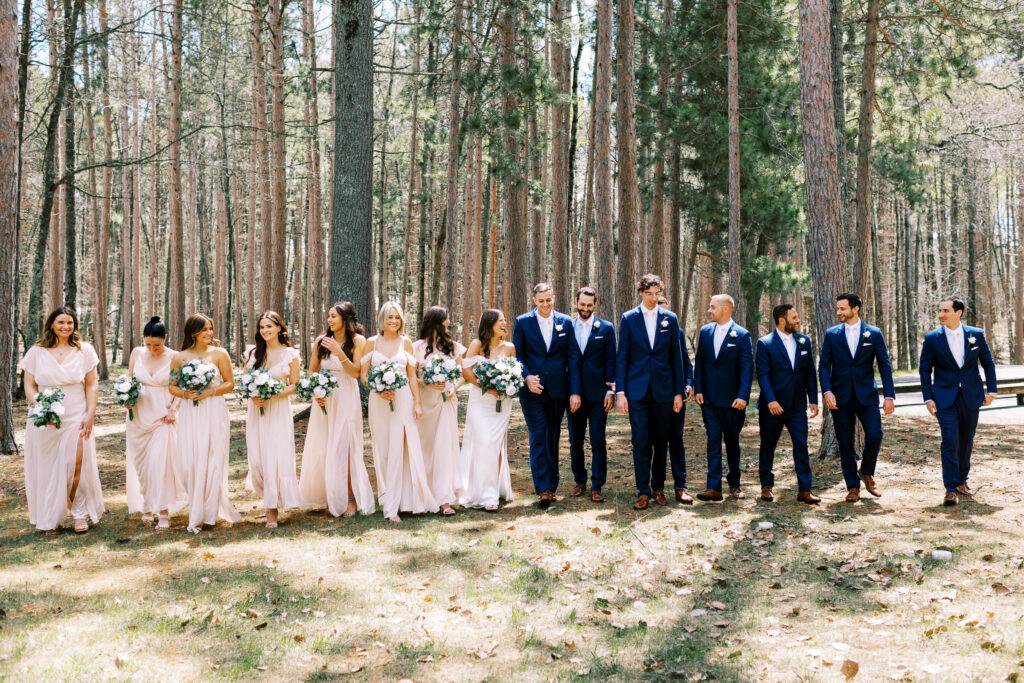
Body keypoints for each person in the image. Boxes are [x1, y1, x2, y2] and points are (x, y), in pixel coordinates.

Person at [19, 307, 104, 533]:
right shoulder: (37, 351)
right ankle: (50, 517)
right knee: (47, 468)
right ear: (51, 325)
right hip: (45, 416)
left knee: (75, 464)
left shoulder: (85, 351)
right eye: (61, 322)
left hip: (76, 414)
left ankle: (79, 512)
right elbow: (29, 384)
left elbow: (92, 384)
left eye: (70, 323)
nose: (66, 327)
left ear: (75, 325)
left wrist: (90, 414)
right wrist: (39, 409)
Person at [615, 274, 691, 510]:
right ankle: (643, 490)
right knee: (640, 442)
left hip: (664, 391)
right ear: (641, 293)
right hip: (637, 391)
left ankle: (658, 487)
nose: (653, 298)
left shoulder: (670, 318)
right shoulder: (629, 318)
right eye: (649, 293)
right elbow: (623, 357)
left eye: (657, 293)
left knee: (662, 441)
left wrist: (678, 393)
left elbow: (676, 359)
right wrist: (621, 392)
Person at [361, 301, 439, 522]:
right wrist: (377, 389)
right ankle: (390, 497)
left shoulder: (406, 343)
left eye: (397, 317)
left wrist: (417, 402)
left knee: (403, 448)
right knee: (385, 450)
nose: (394, 321)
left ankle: (398, 505)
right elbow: (364, 375)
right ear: (382, 319)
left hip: (403, 398)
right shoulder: (371, 343)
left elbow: (412, 375)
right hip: (379, 401)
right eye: (390, 317)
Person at [919, 296, 997, 506]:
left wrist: (992, 391)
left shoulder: (976, 335)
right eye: (940, 310)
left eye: (946, 310)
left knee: (966, 439)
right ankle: (950, 488)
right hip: (944, 397)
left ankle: (962, 480)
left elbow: (988, 364)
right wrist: (928, 397)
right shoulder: (932, 338)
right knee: (949, 439)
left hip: (971, 396)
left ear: (958, 312)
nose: (941, 314)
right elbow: (925, 370)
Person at [299, 302, 375, 517]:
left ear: (345, 318)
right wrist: (317, 392)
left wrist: (339, 352)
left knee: (345, 446)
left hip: (345, 396)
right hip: (324, 398)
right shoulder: (320, 341)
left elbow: (354, 373)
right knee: (324, 445)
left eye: (334, 316)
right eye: (329, 316)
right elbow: (312, 371)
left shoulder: (358, 341)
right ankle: (330, 495)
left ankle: (350, 498)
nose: (330, 320)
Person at [818, 293, 895, 502]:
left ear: (855, 309)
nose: (839, 312)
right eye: (838, 308)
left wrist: (889, 395)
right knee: (845, 443)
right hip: (839, 396)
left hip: (866, 395)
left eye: (842, 308)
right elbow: (824, 365)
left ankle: (866, 472)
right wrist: (826, 391)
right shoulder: (832, 334)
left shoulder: (874, 333)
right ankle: (852, 487)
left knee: (875, 435)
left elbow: (885, 365)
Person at [169, 314, 241, 533]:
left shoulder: (219, 354)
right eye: (204, 330)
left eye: (211, 329)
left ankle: (208, 513)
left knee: (212, 459)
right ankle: (196, 507)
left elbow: (230, 383)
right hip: (191, 412)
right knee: (189, 463)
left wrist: (209, 391)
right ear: (193, 333)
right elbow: (171, 386)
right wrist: (185, 393)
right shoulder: (180, 357)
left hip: (214, 410)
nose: (209, 333)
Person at [512, 282, 581, 509]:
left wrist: (574, 391)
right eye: (540, 301)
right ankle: (542, 488)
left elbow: (572, 358)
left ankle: (552, 486)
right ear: (534, 301)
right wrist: (527, 377)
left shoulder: (566, 322)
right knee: (538, 435)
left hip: (558, 390)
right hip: (532, 390)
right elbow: (518, 354)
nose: (545, 304)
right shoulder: (523, 322)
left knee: (553, 436)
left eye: (548, 300)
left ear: (554, 298)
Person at [125, 316, 186, 529]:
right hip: (138, 415)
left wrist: (173, 409)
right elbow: (130, 381)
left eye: (157, 345)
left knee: (160, 463)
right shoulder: (136, 353)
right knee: (142, 465)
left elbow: (181, 386)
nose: (152, 349)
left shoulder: (175, 356)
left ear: (165, 338)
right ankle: (147, 506)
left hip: (163, 415)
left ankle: (164, 512)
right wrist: (127, 398)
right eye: (148, 344)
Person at [243, 311, 303, 528]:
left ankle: (272, 510)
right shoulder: (252, 353)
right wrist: (253, 394)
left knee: (275, 456)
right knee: (258, 457)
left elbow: (295, 384)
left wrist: (273, 394)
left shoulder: (290, 354)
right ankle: (268, 499)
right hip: (256, 410)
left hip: (277, 409)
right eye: (262, 327)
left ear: (279, 327)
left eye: (269, 326)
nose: (265, 330)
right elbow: (244, 380)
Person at [755, 304, 820, 504]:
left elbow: (810, 372)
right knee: (768, 446)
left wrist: (814, 400)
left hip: (797, 407)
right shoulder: (765, 343)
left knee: (801, 446)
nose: (798, 320)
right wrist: (771, 400)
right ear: (782, 320)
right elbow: (762, 374)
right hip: (772, 407)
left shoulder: (804, 341)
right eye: (794, 317)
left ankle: (805, 489)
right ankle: (766, 486)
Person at [692, 295, 753, 502]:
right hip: (708, 399)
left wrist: (743, 395)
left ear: (726, 309)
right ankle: (713, 487)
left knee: (732, 442)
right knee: (713, 440)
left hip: (733, 401)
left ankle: (734, 484)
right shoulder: (705, 332)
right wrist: (698, 388)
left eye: (712, 307)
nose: (709, 310)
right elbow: (699, 362)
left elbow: (746, 368)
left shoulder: (742, 336)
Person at [460, 310, 517, 510]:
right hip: (481, 401)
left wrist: (506, 387)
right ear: (490, 323)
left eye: (505, 320)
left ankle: (492, 492)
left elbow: (514, 373)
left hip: (501, 403)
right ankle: (484, 493)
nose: (505, 323)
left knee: (495, 446)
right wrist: (486, 387)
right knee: (484, 443)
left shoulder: (510, 348)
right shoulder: (477, 345)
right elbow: (465, 371)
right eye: (501, 320)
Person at [413, 306, 466, 516]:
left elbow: (463, 373)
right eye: (446, 317)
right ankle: (423, 494)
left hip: (445, 401)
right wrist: (426, 381)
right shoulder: (416, 347)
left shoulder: (453, 347)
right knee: (425, 447)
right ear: (437, 321)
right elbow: (412, 377)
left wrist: (454, 387)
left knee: (444, 447)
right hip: (424, 402)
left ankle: (444, 499)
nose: (449, 320)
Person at [566, 287, 616, 503]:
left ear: (595, 304)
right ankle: (579, 480)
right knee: (575, 440)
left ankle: (597, 485)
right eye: (582, 304)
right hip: (574, 394)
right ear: (576, 301)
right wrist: (571, 391)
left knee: (598, 440)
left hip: (598, 395)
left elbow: (611, 361)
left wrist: (610, 390)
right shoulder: (566, 326)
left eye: (589, 305)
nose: (585, 309)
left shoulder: (606, 328)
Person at [656, 293, 696, 503]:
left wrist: (687, 384)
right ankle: (653, 486)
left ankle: (681, 486)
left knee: (676, 440)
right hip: (652, 397)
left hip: (675, 396)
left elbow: (686, 363)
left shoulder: (677, 331)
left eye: (663, 305)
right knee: (652, 442)